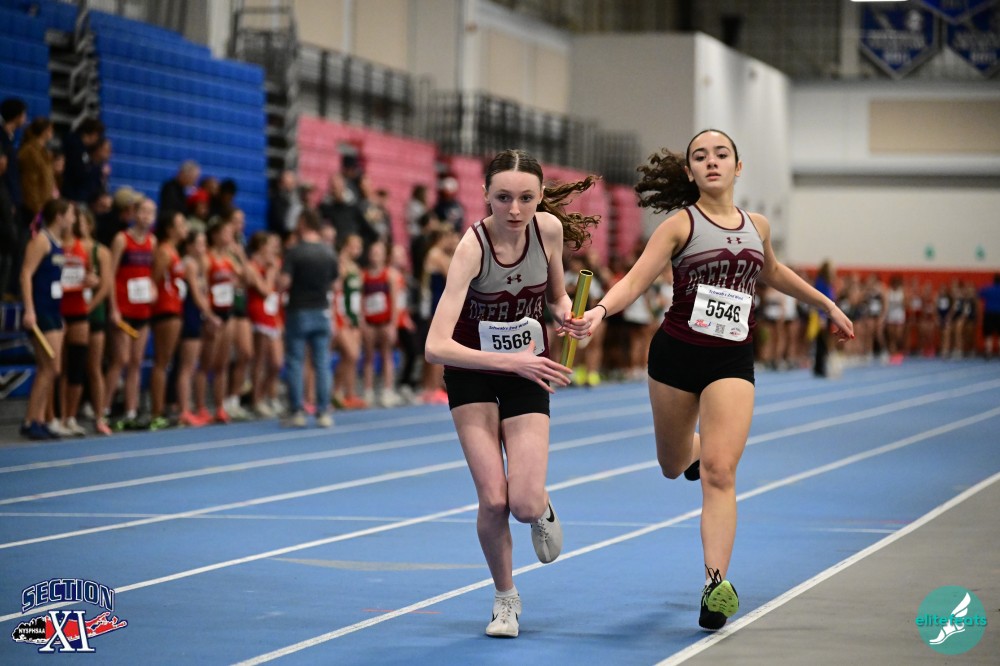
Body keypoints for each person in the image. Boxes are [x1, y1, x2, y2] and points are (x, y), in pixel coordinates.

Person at [578, 130, 854, 631]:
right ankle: (696, 452)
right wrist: (599, 310)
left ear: (737, 167)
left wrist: (826, 304)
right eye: (700, 157)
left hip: (731, 361)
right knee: (671, 464)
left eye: (721, 154)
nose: (712, 162)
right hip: (676, 357)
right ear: (690, 172)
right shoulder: (680, 225)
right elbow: (635, 280)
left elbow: (774, 272)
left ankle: (714, 586)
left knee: (721, 473)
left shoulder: (757, 225)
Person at [424, 149, 597, 638]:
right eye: (503, 198)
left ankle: (540, 504)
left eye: (525, 198)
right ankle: (505, 598)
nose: (515, 210)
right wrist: (512, 360)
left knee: (522, 503)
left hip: (527, 370)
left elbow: (556, 296)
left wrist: (568, 316)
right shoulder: (471, 248)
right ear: (485, 195)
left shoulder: (549, 231)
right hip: (473, 370)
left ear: (541, 197)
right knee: (494, 500)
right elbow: (435, 346)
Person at [19, 199, 75, 440]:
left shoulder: (58, 243)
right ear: (60, 216)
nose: (74, 219)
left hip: (54, 309)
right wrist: (29, 310)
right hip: (41, 310)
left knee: (52, 368)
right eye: (71, 214)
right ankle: (30, 420)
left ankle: (39, 419)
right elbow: (25, 273)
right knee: (49, 366)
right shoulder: (41, 241)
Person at [280, 209, 338, 427]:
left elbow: (284, 282)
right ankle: (323, 411)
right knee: (322, 363)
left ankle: (297, 411)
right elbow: (335, 284)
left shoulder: (295, 252)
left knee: (296, 361)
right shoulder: (328, 252)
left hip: (299, 310)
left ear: (303, 223)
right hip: (322, 311)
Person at [149, 210, 189, 430]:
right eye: (181, 224)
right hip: (165, 309)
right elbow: (153, 280)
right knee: (162, 362)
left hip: (174, 308)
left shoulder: (174, 251)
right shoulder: (164, 251)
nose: (185, 228)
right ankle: (157, 411)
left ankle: (161, 407)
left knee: (166, 361)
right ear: (170, 229)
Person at [979, 274, 1000, 359]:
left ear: (993, 280)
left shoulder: (988, 289)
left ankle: (988, 352)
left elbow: (979, 293)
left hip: (989, 314)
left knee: (988, 334)